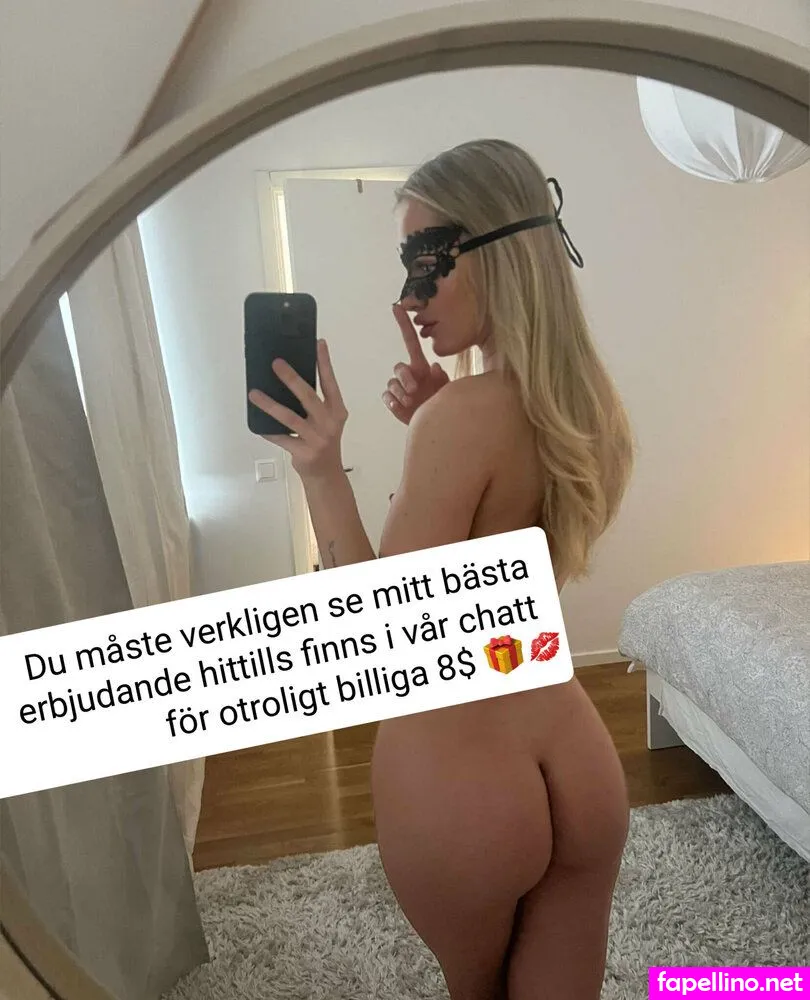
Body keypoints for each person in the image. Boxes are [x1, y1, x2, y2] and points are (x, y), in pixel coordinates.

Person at [248, 138, 635, 1000]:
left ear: (500, 253)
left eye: (428, 263)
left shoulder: (461, 418)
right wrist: (435, 419)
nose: (409, 298)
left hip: (465, 782)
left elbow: (382, 631)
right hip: (576, 757)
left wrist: (320, 469)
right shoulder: (587, 405)